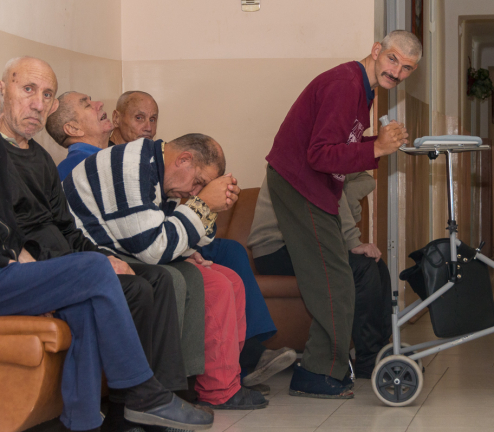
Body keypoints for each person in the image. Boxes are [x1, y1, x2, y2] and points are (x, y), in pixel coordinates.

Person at [0, 56, 212, 432]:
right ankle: (145, 395)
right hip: (11, 272)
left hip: (47, 268)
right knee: (95, 272)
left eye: (47, 95)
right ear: (3, 90)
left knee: (124, 282)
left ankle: (87, 421)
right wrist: (37, 262)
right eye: (28, 89)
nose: (37, 103)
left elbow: (67, 229)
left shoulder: (41, 160)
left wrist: (103, 258)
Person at [54, 101, 267, 410]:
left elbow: (178, 237)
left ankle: (219, 384)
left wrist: (207, 211)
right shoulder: (131, 166)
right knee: (204, 283)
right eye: (198, 182)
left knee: (229, 280)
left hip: (123, 248)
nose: (193, 192)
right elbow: (154, 248)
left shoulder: (159, 171)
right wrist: (201, 206)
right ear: (183, 159)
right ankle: (194, 389)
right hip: (92, 255)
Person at [263, 30, 421, 398]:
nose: (397, 72)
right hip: (300, 183)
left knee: (339, 277)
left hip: (312, 186)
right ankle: (315, 372)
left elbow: (339, 145)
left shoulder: (362, 88)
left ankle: (333, 366)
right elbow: (319, 154)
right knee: (335, 280)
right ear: (376, 50)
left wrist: (377, 144)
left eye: (407, 68)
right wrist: (377, 148)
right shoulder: (345, 84)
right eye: (393, 59)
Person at [107, 90, 296, 391]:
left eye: (153, 119)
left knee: (230, 252)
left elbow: (169, 218)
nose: (148, 127)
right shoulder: (122, 163)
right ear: (116, 119)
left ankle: (240, 361)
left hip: (164, 236)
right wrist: (203, 205)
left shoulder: (158, 162)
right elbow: (152, 240)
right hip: (142, 245)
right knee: (215, 269)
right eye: (139, 117)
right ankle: (241, 361)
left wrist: (208, 209)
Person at [249, 172, 392, 379]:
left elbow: (363, 178)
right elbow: (329, 196)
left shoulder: (330, 160)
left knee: (377, 265)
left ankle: (382, 350)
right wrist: (353, 242)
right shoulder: (306, 158)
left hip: (305, 241)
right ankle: (369, 359)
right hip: (276, 247)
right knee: (362, 267)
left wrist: (346, 191)